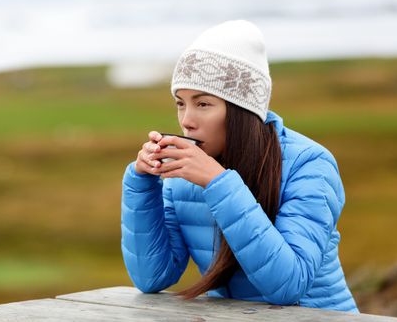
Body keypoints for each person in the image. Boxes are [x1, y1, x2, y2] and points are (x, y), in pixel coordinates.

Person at [120, 20, 359, 312]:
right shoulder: (183, 173)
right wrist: (141, 182)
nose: (186, 120)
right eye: (180, 103)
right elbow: (152, 278)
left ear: (241, 110)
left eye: (203, 104)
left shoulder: (309, 164)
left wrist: (218, 183)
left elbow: (288, 285)